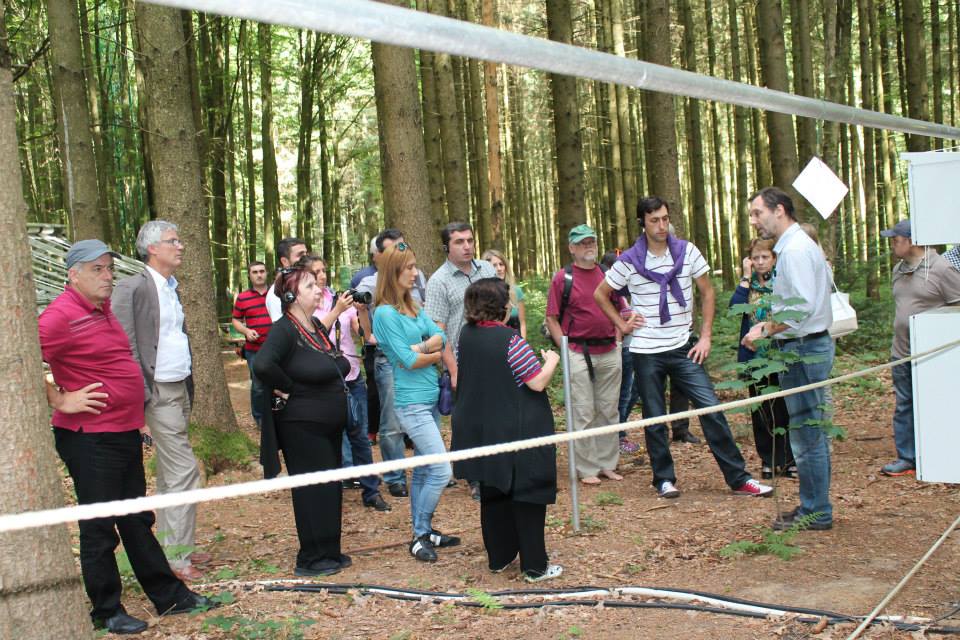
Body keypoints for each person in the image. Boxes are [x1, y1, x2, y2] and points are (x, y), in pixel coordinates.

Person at [39, 240, 216, 634]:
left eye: (109, 268)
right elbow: (18, 357)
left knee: (136, 518)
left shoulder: (103, 310)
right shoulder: (59, 315)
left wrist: (138, 417)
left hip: (121, 431)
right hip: (89, 438)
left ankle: (169, 596)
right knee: (99, 526)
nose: (108, 276)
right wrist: (61, 399)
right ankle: (107, 610)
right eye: (98, 269)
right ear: (74, 275)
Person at [595, 197, 773, 499]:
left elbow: (707, 292)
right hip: (646, 350)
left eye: (665, 219)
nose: (662, 226)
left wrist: (705, 337)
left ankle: (739, 478)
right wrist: (622, 325)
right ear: (642, 223)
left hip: (683, 347)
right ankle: (664, 479)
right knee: (655, 418)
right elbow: (601, 294)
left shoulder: (687, 251)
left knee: (711, 408)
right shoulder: (629, 260)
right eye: (654, 220)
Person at [113, 221, 207, 581]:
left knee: (171, 475)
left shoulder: (172, 287)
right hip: (157, 393)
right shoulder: (133, 287)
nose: (180, 246)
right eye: (172, 241)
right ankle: (177, 561)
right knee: (185, 471)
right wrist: (138, 403)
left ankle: (175, 548)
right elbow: (125, 347)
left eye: (179, 240)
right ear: (152, 248)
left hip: (180, 388)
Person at [452, 278, 563, 582]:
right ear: (500, 306)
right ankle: (535, 567)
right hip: (519, 429)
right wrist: (552, 361)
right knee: (528, 495)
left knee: (493, 490)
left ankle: (499, 557)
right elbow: (536, 382)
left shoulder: (466, 335)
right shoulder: (510, 340)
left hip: (486, 429)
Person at [253, 260, 353, 576]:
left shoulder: (315, 326)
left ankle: (330, 551)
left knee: (330, 487)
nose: (318, 289)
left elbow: (334, 363)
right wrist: (290, 387)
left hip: (329, 424)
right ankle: (311, 557)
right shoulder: (284, 329)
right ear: (291, 296)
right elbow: (263, 364)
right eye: (309, 286)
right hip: (303, 426)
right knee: (313, 491)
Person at [743, 187, 834, 530]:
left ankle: (816, 512)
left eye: (758, 213)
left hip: (804, 349)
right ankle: (814, 505)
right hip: (802, 346)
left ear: (779, 210)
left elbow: (801, 309)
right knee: (808, 433)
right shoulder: (793, 247)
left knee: (807, 435)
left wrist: (765, 330)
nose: (754, 221)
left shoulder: (795, 250)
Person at [373, 244, 459, 563]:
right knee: (441, 469)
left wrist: (422, 348)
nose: (415, 272)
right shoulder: (384, 314)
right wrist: (431, 352)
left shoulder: (413, 304)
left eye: (414, 266)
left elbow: (442, 336)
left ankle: (424, 530)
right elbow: (408, 361)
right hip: (411, 404)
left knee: (424, 468)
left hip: (431, 399)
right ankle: (418, 536)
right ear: (392, 272)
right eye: (408, 267)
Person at [308, 255, 390, 511]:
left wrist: (362, 311)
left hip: (352, 378)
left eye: (324, 270)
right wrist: (337, 310)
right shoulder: (305, 304)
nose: (322, 275)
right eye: (316, 272)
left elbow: (365, 334)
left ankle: (371, 491)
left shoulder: (338, 298)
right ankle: (331, 493)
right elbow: (313, 334)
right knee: (329, 439)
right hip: (324, 382)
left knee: (361, 438)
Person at [878, 220, 960, 476]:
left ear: (912, 241)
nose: (892, 245)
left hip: (933, 354)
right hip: (902, 351)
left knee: (938, 403)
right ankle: (907, 457)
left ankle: (942, 454)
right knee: (904, 404)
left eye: (896, 240)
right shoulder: (898, 269)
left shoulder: (942, 268)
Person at [545, 224, 623, 486]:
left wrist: (619, 338)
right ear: (572, 248)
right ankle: (587, 467)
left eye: (591, 242)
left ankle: (607, 464)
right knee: (583, 411)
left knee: (609, 409)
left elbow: (620, 309)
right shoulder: (563, 278)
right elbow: (552, 318)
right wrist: (565, 350)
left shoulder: (608, 275)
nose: (588, 246)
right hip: (578, 351)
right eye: (582, 243)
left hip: (609, 349)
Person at [425, 222, 497, 500]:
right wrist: (454, 370)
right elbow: (438, 333)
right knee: (469, 422)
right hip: (463, 361)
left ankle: (497, 469)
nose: (467, 246)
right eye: (459, 242)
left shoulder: (487, 270)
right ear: (447, 247)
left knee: (496, 416)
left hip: (494, 355)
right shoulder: (439, 281)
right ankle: (475, 477)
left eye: (470, 240)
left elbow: (501, 310)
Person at [356, 229, 430, 498]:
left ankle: (427, 471)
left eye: (403, 246)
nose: (400, 253)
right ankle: (395, 477)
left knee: (425, 416)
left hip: (421, 356)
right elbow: (358, 311)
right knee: (392, 422)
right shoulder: (369, 284)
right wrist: (368, 330)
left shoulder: (418, 277)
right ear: (378, 256)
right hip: (390, 360)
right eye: (392, 249)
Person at [729, 238, 795, 479]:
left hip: (779, 353)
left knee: (784, 408)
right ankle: (768, 459)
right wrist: (746, 277)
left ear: (774, 258)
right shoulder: (748, 286)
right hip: (753, 355)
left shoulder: (783, 282)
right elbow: (734, 308)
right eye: (755, 258)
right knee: (760, 410)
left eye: (765, 257)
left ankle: (788, 459)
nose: (760, 262)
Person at [232, 261, 272, 428]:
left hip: (278, 348)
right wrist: (247, 331)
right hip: (254, 350)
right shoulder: (243, 298)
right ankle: (260, 418)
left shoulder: (276, 294)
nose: (259, 275)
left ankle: (278, 416)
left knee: (281, 383)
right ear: (249, 276)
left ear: (267, 273)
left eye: (262, 271)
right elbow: (235, 320)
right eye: (255, 272)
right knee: (258, 386)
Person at [353, 236, 381, 445]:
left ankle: (408, 435)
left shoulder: (410, 274)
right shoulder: (362, 277)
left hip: (402, 344)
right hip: (372, 342)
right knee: (373, 388)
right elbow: (356, 307)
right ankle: (372, 430)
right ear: (374, 254)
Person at [482, 248, 527, 338]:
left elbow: (522, 323)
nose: (499, 268)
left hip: (516, 343)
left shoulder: (516, 291)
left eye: (501, 264)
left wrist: (523, 343)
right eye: (494, 265)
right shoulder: (481, 295)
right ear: (486, 269)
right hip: (493, 342)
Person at [266, 237, 310, 321]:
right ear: (285, 261)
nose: (306, 259)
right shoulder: (276, 294)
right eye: (300, 255)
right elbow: (282, 327)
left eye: (306, 254)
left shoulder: (310, 285)